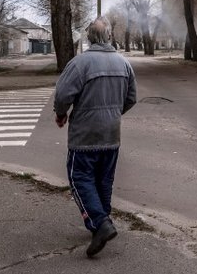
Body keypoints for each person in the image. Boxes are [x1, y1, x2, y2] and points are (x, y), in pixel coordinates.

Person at [54, 17, 137, 257]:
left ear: (89, 38)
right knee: (103, 180)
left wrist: (61, 114)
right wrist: (112, 114)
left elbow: (62, 95)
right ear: (110, 36)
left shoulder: (80, 63)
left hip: (85, 136)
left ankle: (100, 224)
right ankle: (102, 221)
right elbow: (131, 97)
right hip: (111, 134)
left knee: (79, 178)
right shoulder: (124, 64)